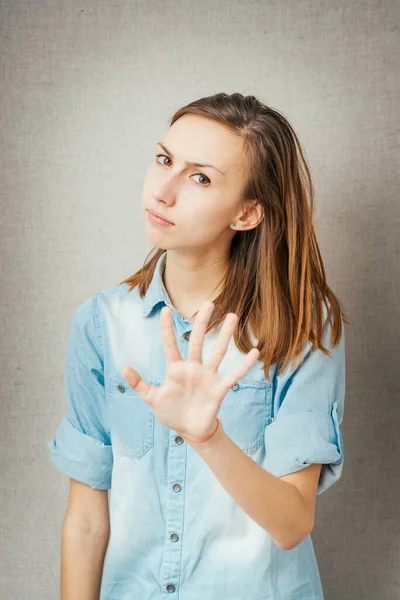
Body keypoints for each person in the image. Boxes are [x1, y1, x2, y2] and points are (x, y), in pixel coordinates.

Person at [47, 92, 349, 599]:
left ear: (248, 213)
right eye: (165, 159)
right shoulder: (101, 324)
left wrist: (208, 438)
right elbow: (85, 522)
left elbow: (293, 523)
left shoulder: (305, 326)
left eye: (200, 177)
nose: (162, 191)